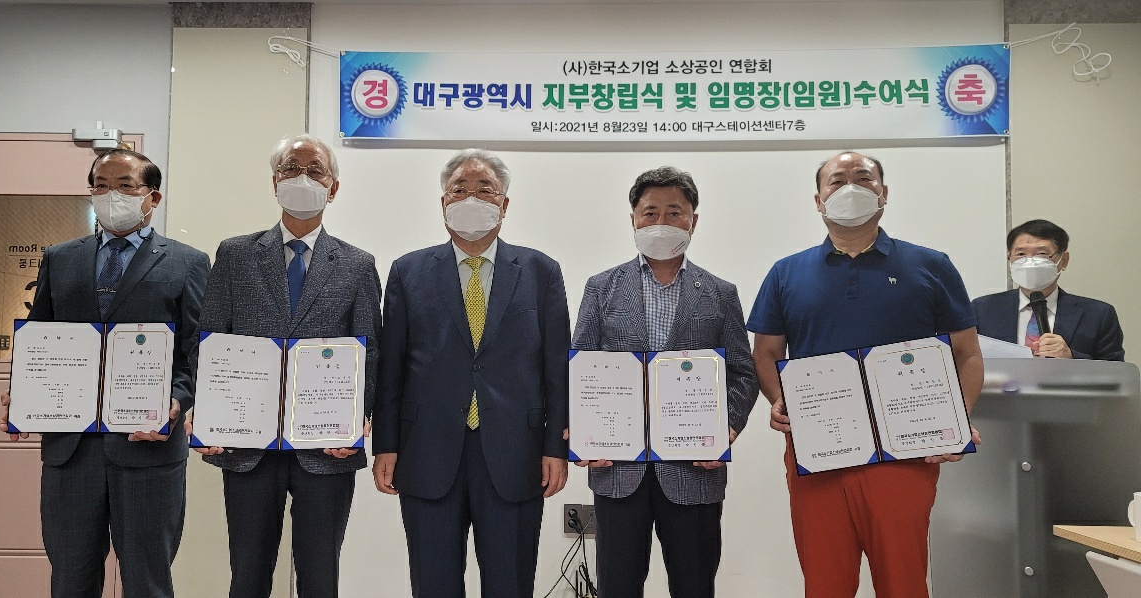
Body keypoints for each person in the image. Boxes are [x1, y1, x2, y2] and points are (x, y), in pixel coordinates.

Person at [746, 151, 984, 598]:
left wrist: (957, 421)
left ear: (884, 193)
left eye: (863, 178)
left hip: (905, 454)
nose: (850, 188)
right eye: (837, 181)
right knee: (825, 583)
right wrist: (781, 400)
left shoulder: (931, 265)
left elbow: (967, 354)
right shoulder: (785, 273)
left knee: (903, 582)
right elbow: (767, 353)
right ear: (818, 200)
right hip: (819, 451)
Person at [0, 148, 211, 598]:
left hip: (148, 448)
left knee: (147, 581)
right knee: (70, 579)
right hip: (71, 452)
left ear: (152, 197)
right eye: (100, 185)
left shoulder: (187, 261)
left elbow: (197, 352)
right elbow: (41, 338)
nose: (111, 194)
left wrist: (177, 401)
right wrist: (23, 395)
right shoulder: (60, 257)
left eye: (125, 186)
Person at [184, 134, 381, 598]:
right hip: (246, 444)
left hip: (327, 447)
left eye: (315, 171)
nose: (302, 178)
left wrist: (358, 419)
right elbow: (209, 341)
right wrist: (205, 413)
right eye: (291, 168)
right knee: (248, 575)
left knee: (319, 577)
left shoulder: (357, 264)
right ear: (274, 181)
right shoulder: (235, 254)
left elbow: (370, 351)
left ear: (333, 188)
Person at [372, 148, 570, 598]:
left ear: (505, 204)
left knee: (510, 584)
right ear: (442, 202)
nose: (471, 198)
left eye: (485, 190)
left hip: (516, 454)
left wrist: (556, 447)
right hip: (426, 451)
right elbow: (392, 368)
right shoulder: (408, 271)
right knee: (433, 584)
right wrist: (385, 444)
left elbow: (557, 368)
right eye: (459, 190)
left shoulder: (541, 271)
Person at [571, 166, 759, 598]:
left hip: (695, 468)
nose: (661, 222)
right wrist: (583, 434)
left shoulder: (720, 292)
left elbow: (743, 373)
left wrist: (726, 428)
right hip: (618, 469)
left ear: (694, 220)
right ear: (633, 219)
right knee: (618, 586)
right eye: (650, 212)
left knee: (694, 585)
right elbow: (581, 368)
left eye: (674, 212)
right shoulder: (602, 288)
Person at [972, 219, 1124, 361]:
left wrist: (1072, 358)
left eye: (1041, 254)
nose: (1030, 261)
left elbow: (1116, 373)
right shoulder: (982, 310)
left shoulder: (1098, 314)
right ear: (1009, 259)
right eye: (1020, 254)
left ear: (1063, 260)